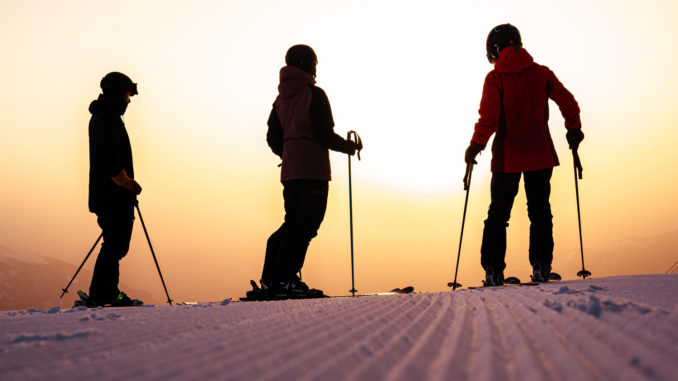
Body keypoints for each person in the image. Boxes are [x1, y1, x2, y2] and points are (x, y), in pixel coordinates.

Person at [465, 24, 584, 286]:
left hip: (507, 157)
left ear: (495, 51)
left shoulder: (495, 79)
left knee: (498, 214)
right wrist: (573, 129)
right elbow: (569, 103)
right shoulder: (542, 74)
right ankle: (541, 267)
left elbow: (489, 120)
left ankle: (493, 272)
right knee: (540, 211)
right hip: (540, 155)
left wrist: (475, 146)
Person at [256, 44, 362, 300]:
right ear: (309, 65)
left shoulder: (280, 100)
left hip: (291, 172)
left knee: (293, 222)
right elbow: (324, 134)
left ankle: (273, 278)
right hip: (313, 170)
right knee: (306, 225)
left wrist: (289, 154)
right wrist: (350, 147)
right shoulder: (314, 95)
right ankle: (285, 280)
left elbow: (272, 137)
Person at [86, 72, 143, 306]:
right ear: (118, 94)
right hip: (113, 196)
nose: (129, 100)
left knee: (113, 243)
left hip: (104, 195)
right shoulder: (108, 119)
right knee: (116, 244)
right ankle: (104, 293)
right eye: (128, 94)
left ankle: (105, 291)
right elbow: (111, 161)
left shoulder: (100, 117)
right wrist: (129, 184)